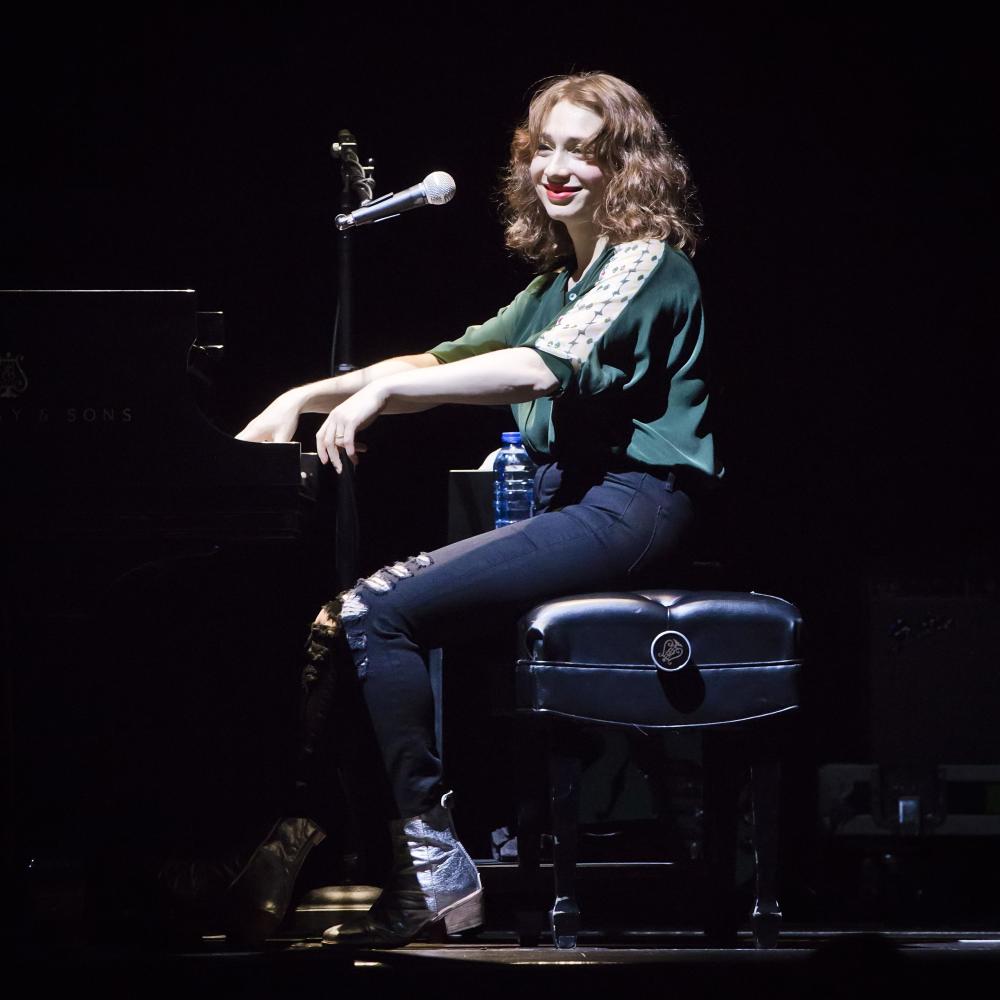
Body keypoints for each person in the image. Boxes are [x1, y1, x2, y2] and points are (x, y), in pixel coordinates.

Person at [231, 71, 721, 948]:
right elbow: (440, 360)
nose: (556, 168)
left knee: (375, 610)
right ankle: (301, 834)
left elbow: (541, 369)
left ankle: (429, 866)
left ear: (625, 166)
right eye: (545, 149)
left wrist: (379, 399)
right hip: (576, 506)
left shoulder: (645, 263)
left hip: (634, 508)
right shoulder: (558, 286)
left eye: (583, 151)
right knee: (345, 623)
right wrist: (301, 396)